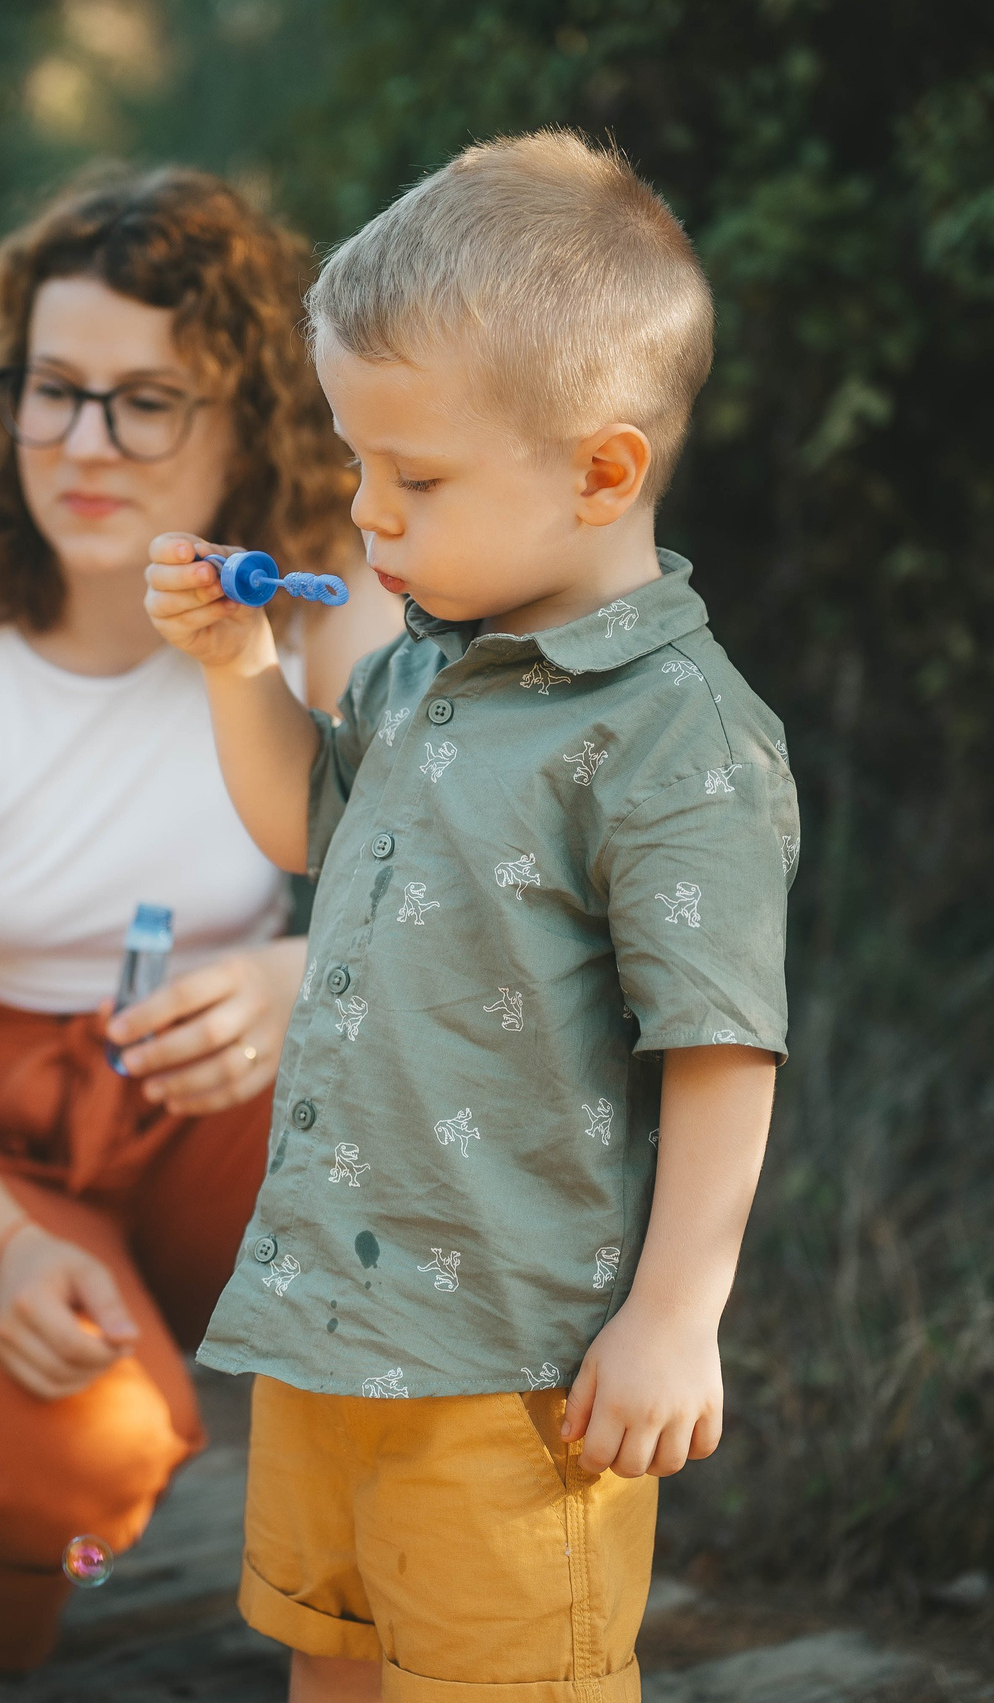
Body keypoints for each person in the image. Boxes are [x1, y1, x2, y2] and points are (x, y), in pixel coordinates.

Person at [143, 132, 799, 1702]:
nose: (365, 515)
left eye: (415, 478)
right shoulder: (425, 664)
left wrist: (672, 1315)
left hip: (518, 1363)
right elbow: (309, 825)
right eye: (358, 464)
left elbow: (721, 1042)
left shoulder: (669, 739)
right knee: (337, 1656)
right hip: (336, 1312)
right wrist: (240, 675)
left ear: (603, 468)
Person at [0, 167, 401, 1673]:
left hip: (208, 1094)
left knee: (443, 1105)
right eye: (52, 391)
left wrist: (304, 971)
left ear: (250, 411)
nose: (81, 445)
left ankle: (408, 1587)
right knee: (66, 1472)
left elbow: (455, 896)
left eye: (147, 402)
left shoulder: (328, 608)